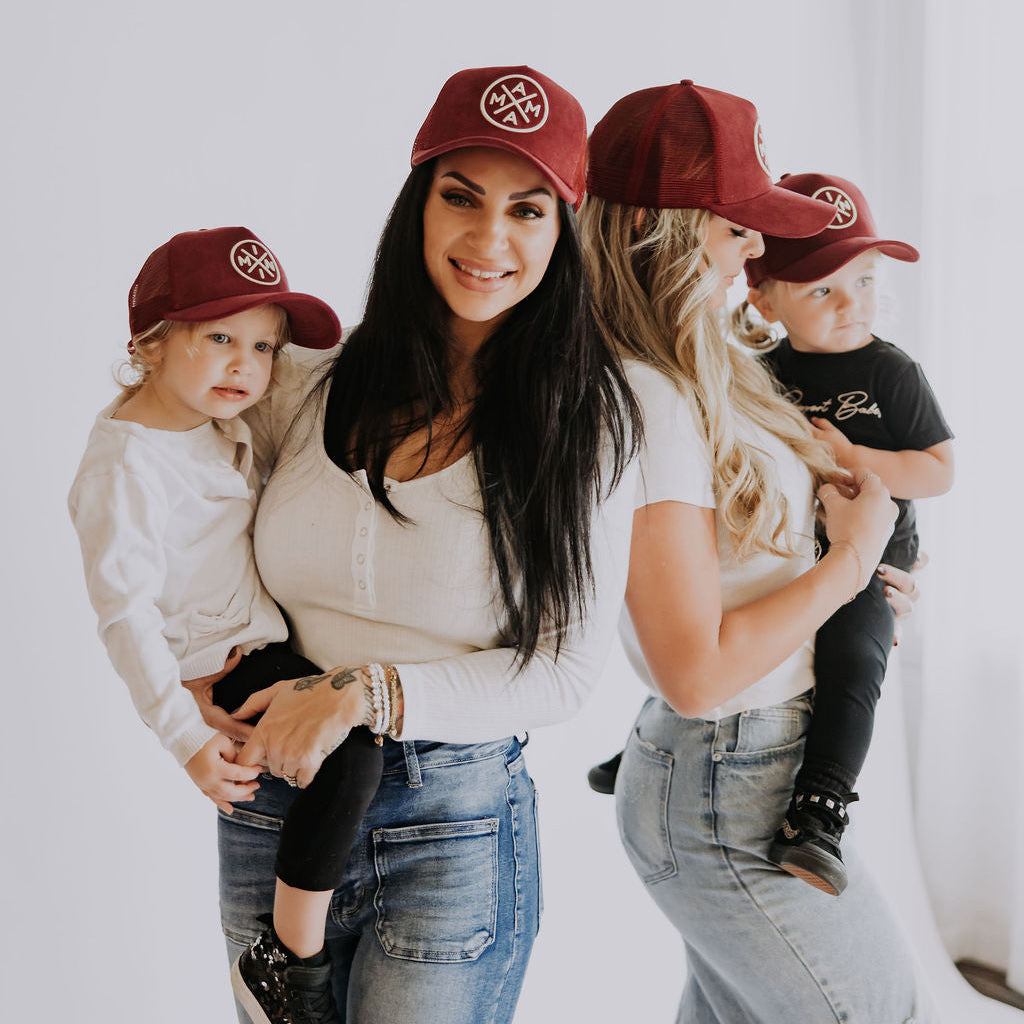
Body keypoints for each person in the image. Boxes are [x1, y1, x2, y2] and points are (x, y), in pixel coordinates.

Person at [208, 66, 642, 1024]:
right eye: (461, 198)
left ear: (562, 233)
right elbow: (181, 519)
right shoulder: (306, 383)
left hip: (451, 823)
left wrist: (363, 694)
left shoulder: (589, 423)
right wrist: (193, 677)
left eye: (529, 211)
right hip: (271, 805)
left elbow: (567, 672)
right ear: (416, 206)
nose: (490, 240)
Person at [580, 80, 929, 1021]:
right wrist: (846, 566)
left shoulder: (703, 360)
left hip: (743, 766)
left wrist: (849, 583)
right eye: (737, 229)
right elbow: (696, 673)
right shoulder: (646, 398)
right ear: (666, 229)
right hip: (730, 778)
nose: (753, 253)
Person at [66, 226, 390, 1020]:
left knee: (347, 746)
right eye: (219, 337)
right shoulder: (126, 467)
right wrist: (184, 737)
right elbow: (125, 617)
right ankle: (289, 958)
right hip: (224, 661)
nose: (247, 365)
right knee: (351, 754)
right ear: (149, 343)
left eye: (265, 346)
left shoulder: (216, 428)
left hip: (265, 641)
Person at [729, 172, 954, 894]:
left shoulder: (891, 372)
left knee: (855, 658)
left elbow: (938, 471)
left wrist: (857, 459)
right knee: (725, 618)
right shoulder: (759, 374)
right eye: (822, 289)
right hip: (789, 550)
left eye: (863, 279)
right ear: (764, 300)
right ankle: (663, 728)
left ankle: (821, 810)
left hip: (872, 557)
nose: (851, 302)